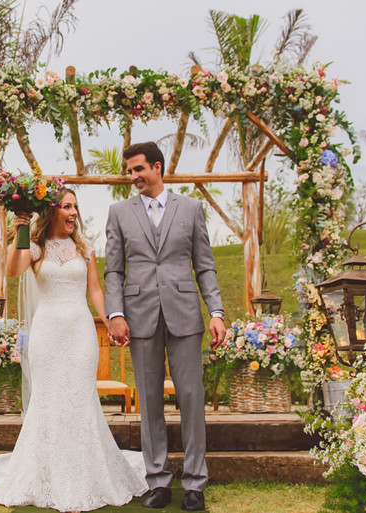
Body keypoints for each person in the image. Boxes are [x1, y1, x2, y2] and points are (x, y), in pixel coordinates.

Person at [0, 188, 147, 513]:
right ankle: (45, 474)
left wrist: (112, 320)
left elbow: (96, 291)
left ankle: (85, 475)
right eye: (67, 207)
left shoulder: (84, 248)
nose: (74, 212)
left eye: (76, 207)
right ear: (53, 211)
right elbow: (14, 269)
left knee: (79, 400)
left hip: (79, 333)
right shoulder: (34, 247)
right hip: (47, 334)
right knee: (48, 400)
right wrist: (20, 227)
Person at [104, 141, 227, 511]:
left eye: (139, 169)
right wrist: (115, 314)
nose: (133, 177)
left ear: (157, 168)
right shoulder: (118, 213)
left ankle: (195, 484)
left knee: (191, 398)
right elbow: (113, 270)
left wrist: (216, 311)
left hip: (185, 314)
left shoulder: (191, 208)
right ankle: (157, 481)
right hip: (139, 316)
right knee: (150, 401)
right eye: (129, 171)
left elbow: (204, 265)